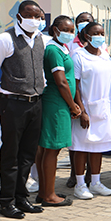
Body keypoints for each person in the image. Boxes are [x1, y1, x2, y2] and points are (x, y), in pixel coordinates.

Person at [0, 0, 48, 219]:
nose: (35, 20)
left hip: (35, 102)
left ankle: (22, 199)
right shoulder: (4, 40)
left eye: (38, 16)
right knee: (10, 154)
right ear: (19, 16)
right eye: (30, 15)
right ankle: (6, 202)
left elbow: (40, 71)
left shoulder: (42, 39)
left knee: (28, 154)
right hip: (12, 103)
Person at [36, 16, 81, 207]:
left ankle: (45, 190)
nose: (70, 34)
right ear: (55, 29)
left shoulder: (62, 48)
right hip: (56, 103)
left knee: (47, 149)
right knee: (52, 150)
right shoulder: (53, 50)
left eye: (72, 31)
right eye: (66, 30)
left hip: (60, 103)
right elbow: (61, 82)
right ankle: (48, 195)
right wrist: (72, 105)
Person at [70, 22, 111, 200]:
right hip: (86, 108)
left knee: (98, 147)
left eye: (102, 33)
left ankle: (95, 182)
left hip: (104, 109)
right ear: (86, 36)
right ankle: (80, 185)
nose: (99, 36)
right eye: (95, 33)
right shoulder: (79, 56)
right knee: (81, 147)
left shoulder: (105, 56)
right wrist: (81, 111)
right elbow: (76, 85)